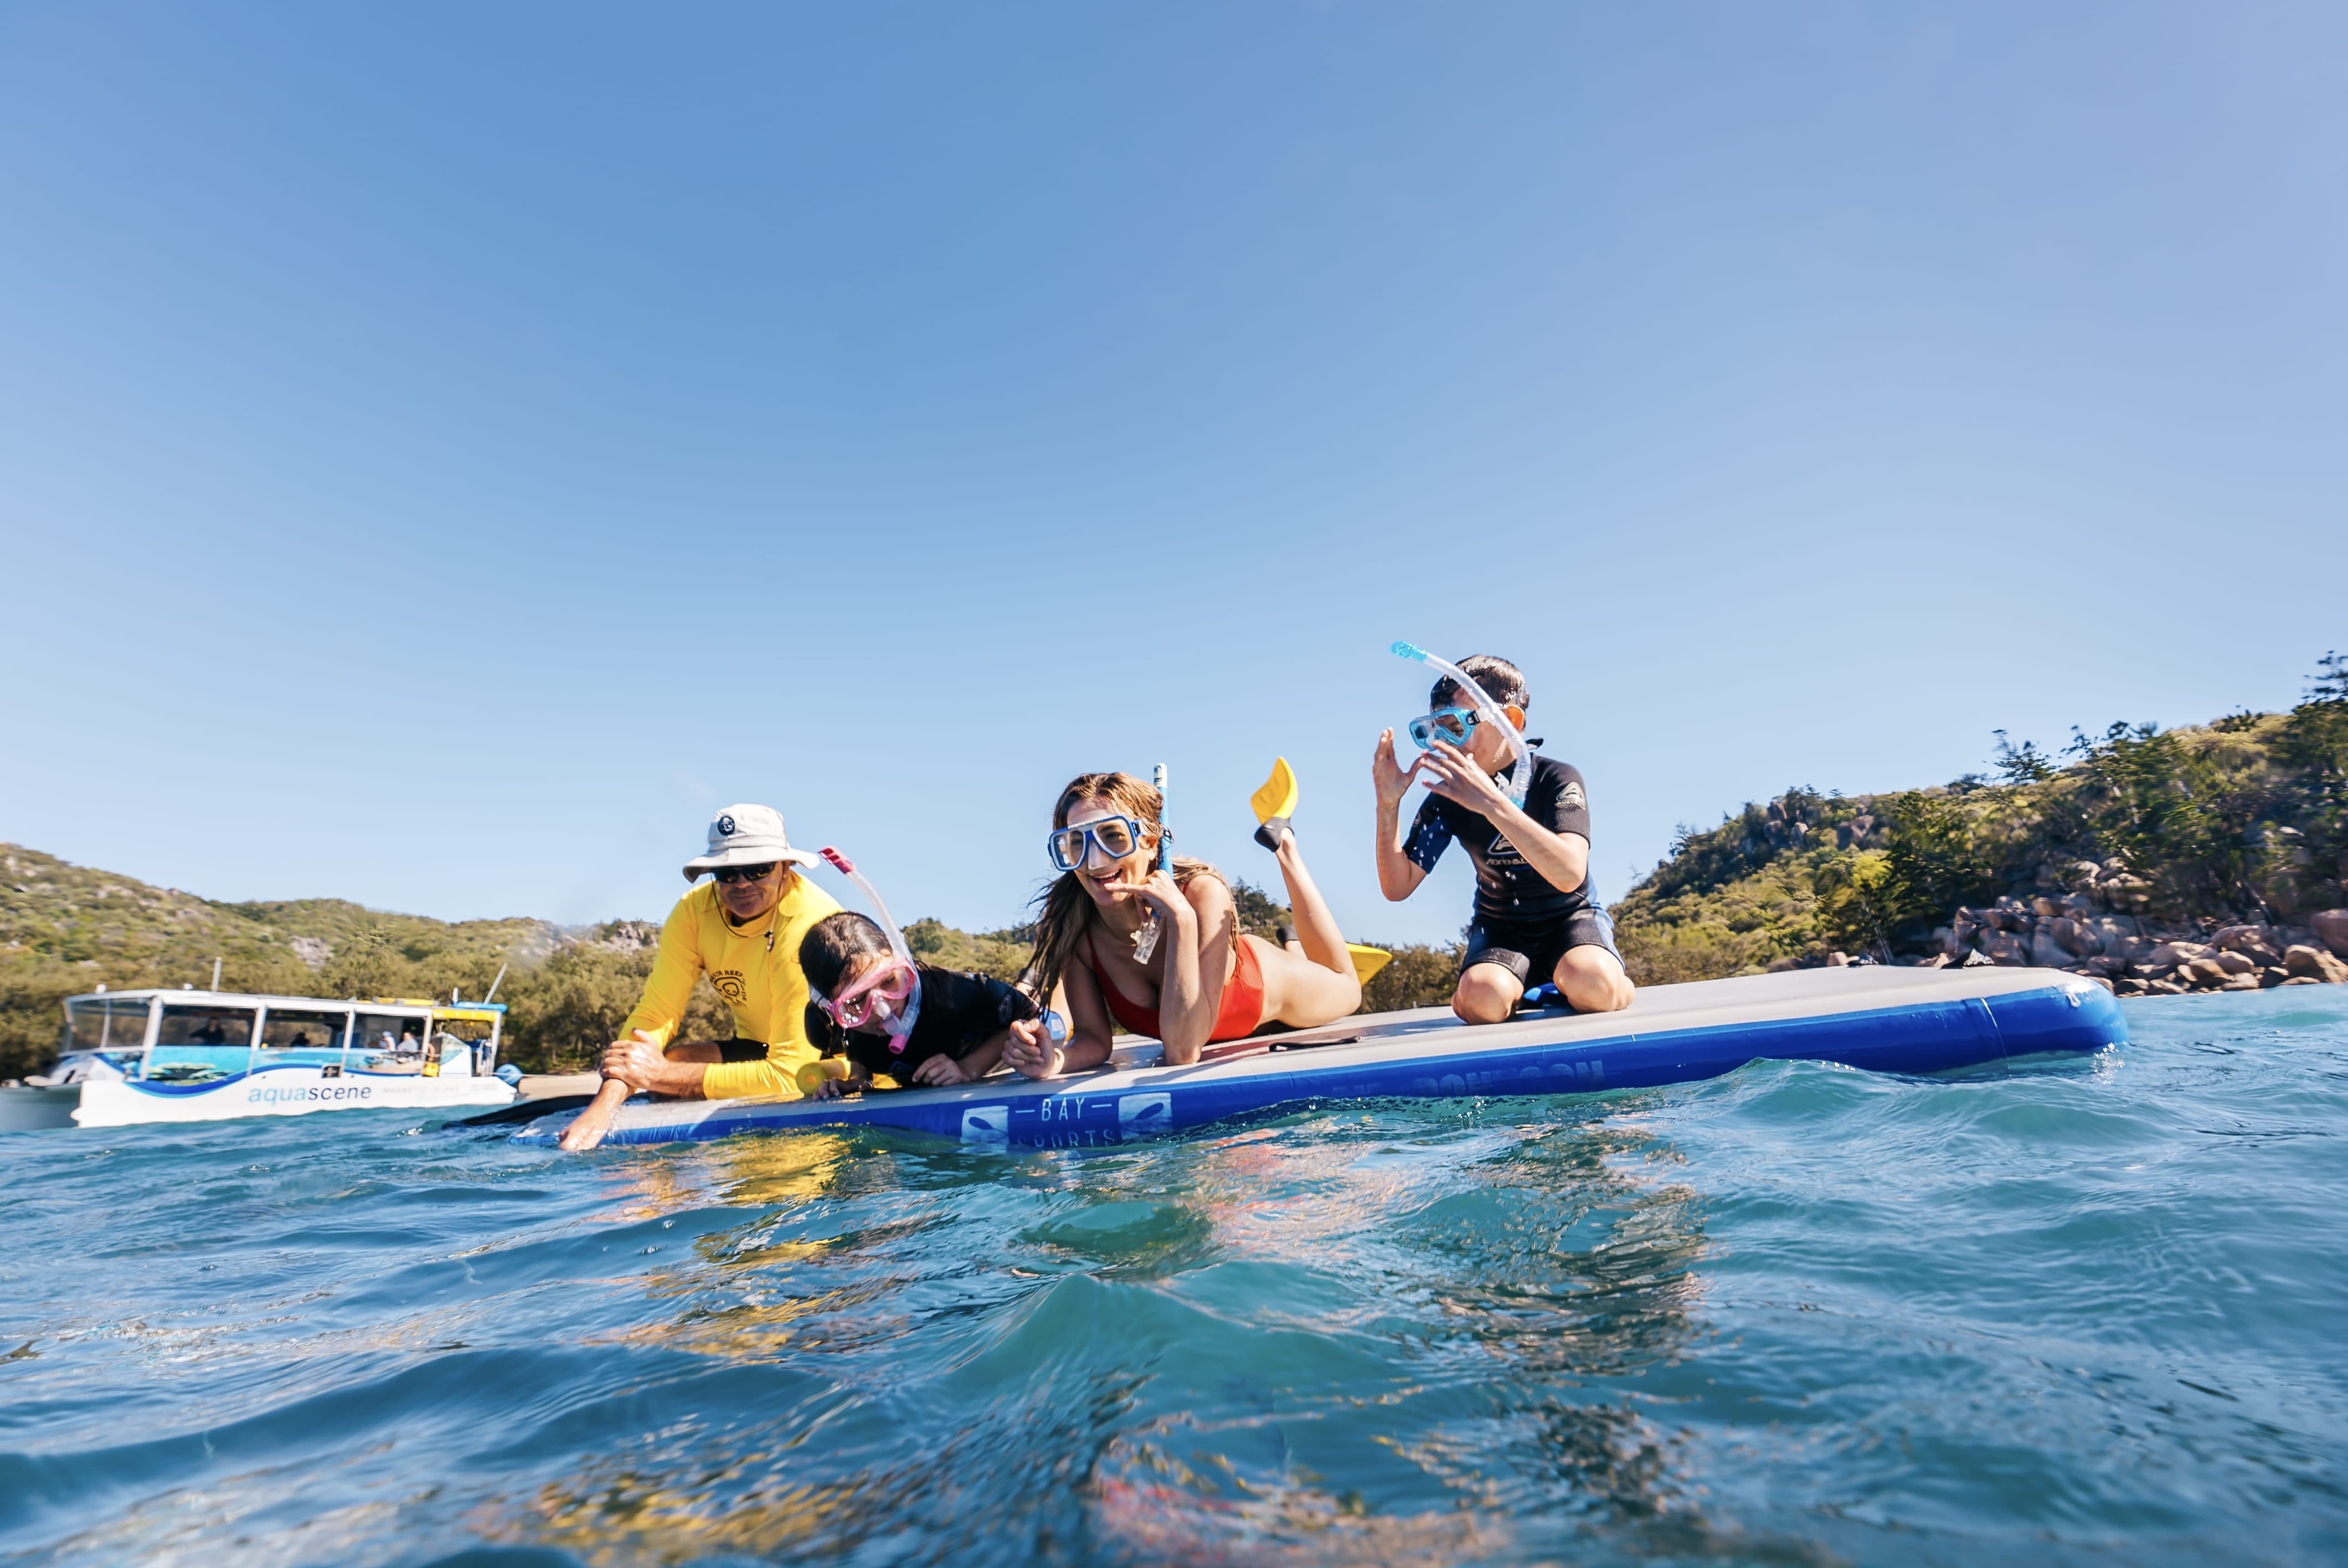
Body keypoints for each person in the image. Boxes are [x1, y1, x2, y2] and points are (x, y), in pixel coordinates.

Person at [1000, 770, 1361, 1079]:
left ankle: (1285, 847)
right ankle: (1293, 945)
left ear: (1150, 842)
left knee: (1348, 986)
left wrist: (1183, 921)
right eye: (1075, 843)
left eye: (1113, 836)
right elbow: (1094, 1038)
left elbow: (1183, 1051)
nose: (1094, 861)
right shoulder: (1077, 926)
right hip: (1220, 1027)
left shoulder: (1202, 894)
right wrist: (1054, 1061)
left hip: (1272, 988)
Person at [559, 803, 842, 1151]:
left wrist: (660, 1076)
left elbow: (788, 1076)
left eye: (758, 869)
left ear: (786, 868)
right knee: (676, 1062)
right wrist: (603, 1106)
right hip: (760, 1049)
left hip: (827, 1062)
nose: (742, 883)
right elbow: (656, 1013)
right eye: (727, 872)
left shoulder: (809, 926)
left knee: (668, 1074)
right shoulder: (694, 912)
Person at [1372, 653, 1635, 1023]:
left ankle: (1605, 979)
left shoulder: (1555, 779)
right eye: (1435, 729)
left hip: (1571, 919)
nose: (1445, 742)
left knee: (1595, 983)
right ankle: (1493, 988)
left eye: (1455, 726)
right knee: (1483, 1001)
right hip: (1501, 929)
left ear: (1510, 721)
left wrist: (1493, 804)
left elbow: (1569, 874)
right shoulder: (1448, 800)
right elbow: (1398, 886)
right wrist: (1388, 806)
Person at [797, 911, 1026, 1096]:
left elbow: (1031, 1014)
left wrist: (969, 1068)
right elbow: (856, 1042)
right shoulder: (833, 1030)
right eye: (857, 1000)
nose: (883, 1009)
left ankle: (1026, 982)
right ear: (830, 1007)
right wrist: (859, 1079)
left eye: (889, 981)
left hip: (998, 1069)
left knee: (1023, 994)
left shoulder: (955, 994)